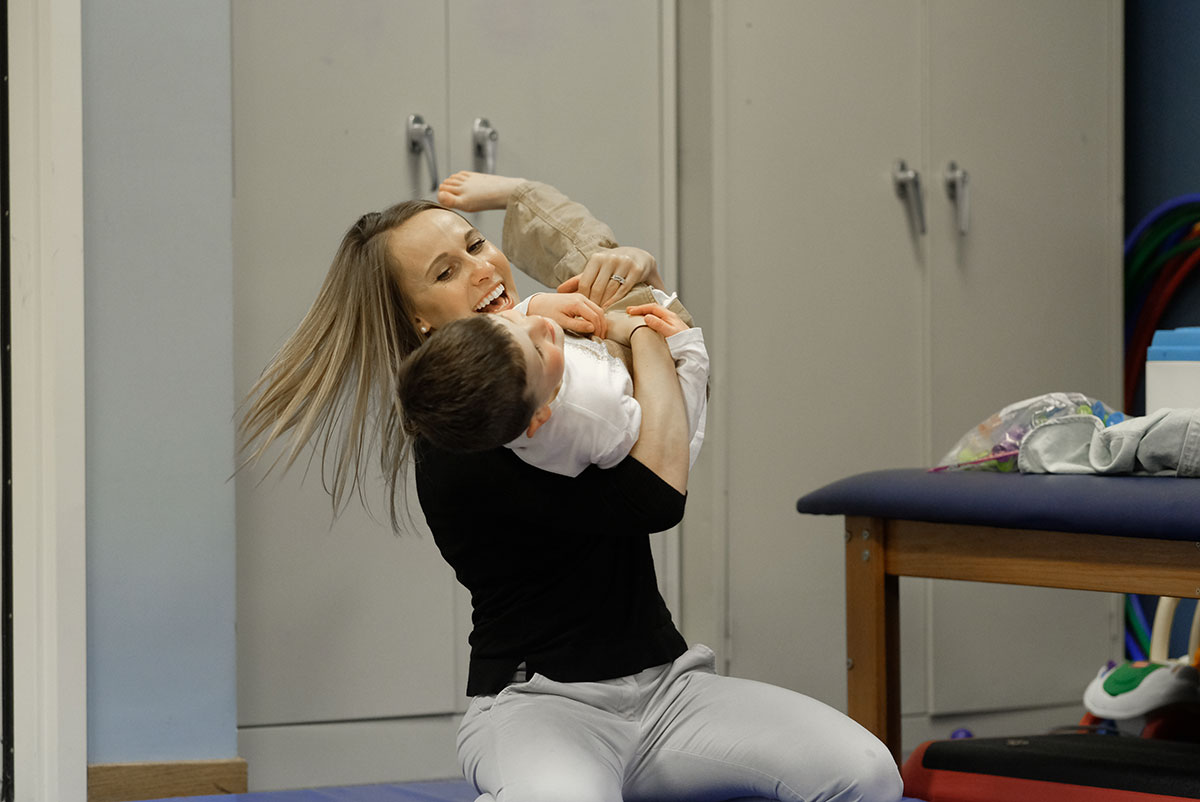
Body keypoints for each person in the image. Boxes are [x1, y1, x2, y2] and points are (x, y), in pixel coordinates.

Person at [240, 171, 902, 802]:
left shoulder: (546, 348)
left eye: (475, 243)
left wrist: (644, 285)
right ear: (419, 322)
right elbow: (653, 497)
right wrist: (635, 328)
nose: (482, 268)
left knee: (866, 776)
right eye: (445, 272)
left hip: (667, 694)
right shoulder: (462, 438)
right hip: (540, 707)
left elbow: (659, 376)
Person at [396, 298, 708, 477]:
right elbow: (672, 439)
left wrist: (533, 305)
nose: (538, 325)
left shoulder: (507, 396)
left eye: (511, 322)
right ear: (540, 416)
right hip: (656, 386)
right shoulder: (598, 412)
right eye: (540, 350)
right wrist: (689, 354)